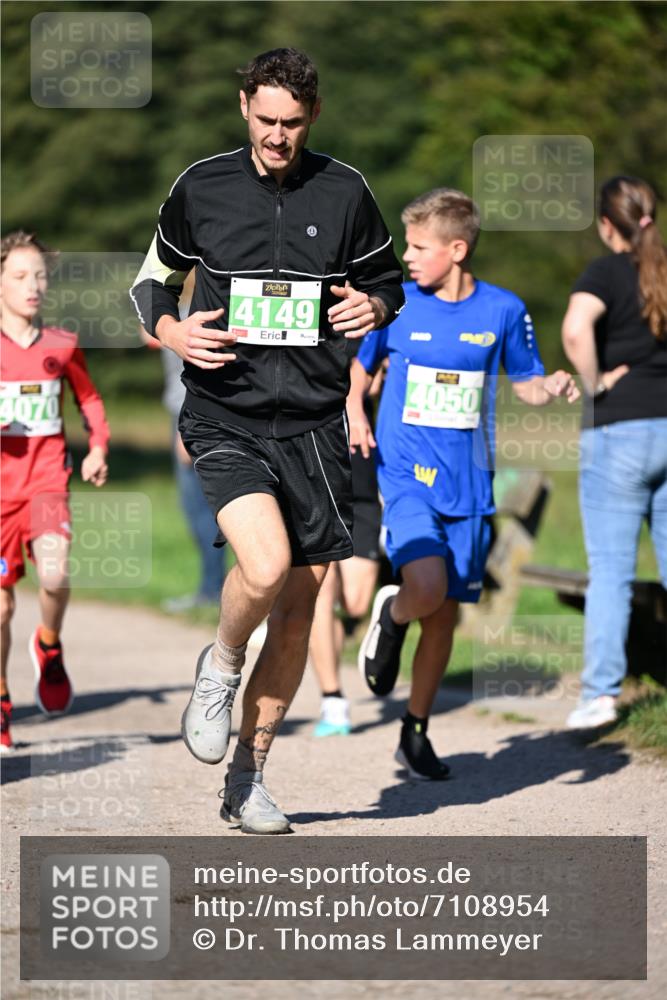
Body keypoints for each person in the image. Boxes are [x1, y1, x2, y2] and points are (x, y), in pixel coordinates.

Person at [130, 48, 404, 832]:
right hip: (225, 412)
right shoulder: (202, 185)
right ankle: (219, 664)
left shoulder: (345, 190)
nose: (277, 137)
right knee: (267, 563)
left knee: (296, 612)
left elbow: (386, 282)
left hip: (315, 425)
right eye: (264, 119)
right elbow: (149, 281)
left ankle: (247, 777)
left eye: (291, 123)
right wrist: (171, 328)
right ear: (243, 105)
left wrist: (374, 310)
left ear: (311, 116)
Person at [350, 188, 579, 779]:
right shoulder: (395, 303)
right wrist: (354, 409)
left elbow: (524, 379)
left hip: (471, 485)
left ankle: (415, 730)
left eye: (419, 245)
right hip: (405, 475)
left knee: (446, 618)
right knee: (423, 586)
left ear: (457, 249)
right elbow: (361, 368)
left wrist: (549, 384)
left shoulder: (502, 309)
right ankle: (393, 615)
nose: (407, 255)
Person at [561, 175, 667, 729]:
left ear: (608, 224)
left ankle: (601, 695)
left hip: (619, 432)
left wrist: (596, 382)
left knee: (610, 571)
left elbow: (576, 328)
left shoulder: (604, 272)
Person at [1, 231, 109, 753]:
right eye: (20, 276)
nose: (32, 286)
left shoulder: (61, 343)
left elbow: (88, 400)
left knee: (55, 573)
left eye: (39, 275)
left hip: (46, 483)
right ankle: (1, 700)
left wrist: (98, 448)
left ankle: (48, 644)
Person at [140, 272, 227, 612]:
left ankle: (211, 589)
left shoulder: (191, 313)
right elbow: (145, 332)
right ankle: (212, 587)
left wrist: (184, 429)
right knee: (201, 510)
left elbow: (190, 377)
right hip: (185, 416)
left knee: (200, 510)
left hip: (188, 418)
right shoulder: (178, 311)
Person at [308, 356, 383, 737]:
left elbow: (379, 388)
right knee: (321, 592)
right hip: (312, 472)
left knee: (355, 603)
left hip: (361, 476)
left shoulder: (376, 326)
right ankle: (332, 698)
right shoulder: (307, 324)